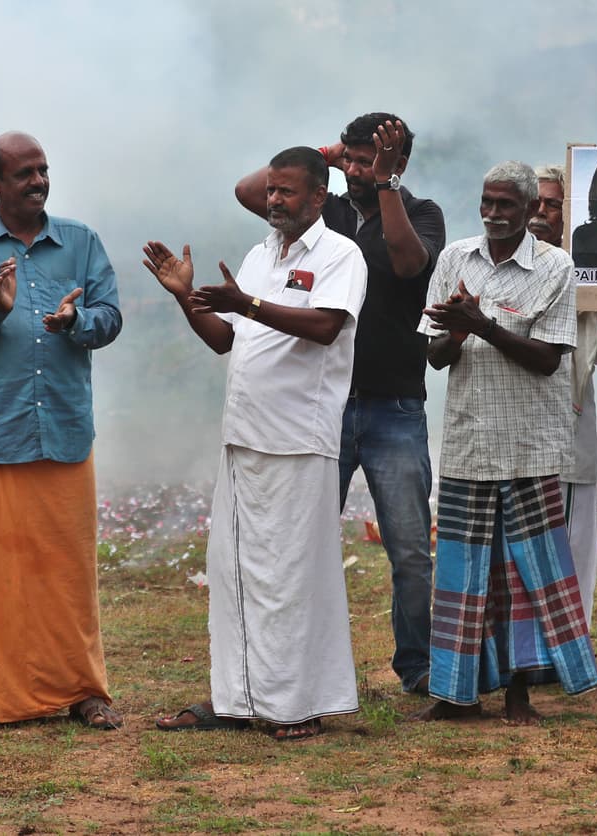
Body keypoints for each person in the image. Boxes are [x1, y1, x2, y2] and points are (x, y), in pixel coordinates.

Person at [149, 146, 367, 740]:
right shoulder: (258, 254)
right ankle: (236, 698)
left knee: (292, 578)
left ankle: (297, 705)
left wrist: (245, 302)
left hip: (299, 438)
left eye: (286, 191)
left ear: (318, 196)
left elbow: (326, 327)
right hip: (244, 434)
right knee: (235, 573)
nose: (273, 200)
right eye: (270, 190)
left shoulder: (340, 254)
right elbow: (225, 338)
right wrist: (183, 295)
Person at [234, 113, 445, 695]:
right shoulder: (326, 211)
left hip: (394, 404)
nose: (354, 170)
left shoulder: (422, 213)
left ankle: (417, 666)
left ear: (399, 164)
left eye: (366, 160)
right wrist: (322, 154)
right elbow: (250, 192)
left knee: (408, 547)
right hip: (322, 403)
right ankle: (297, 661)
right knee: (302, 537)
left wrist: (386, 182)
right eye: (349, 159)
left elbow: (407, 262)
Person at [0, 131, 124, 733]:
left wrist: (75, 320)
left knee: (70, 572)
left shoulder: (82, 242)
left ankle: (84, 691)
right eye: (24, 174)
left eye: (43, 170)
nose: (38, 182)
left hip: (65, 426)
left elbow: (110, 318)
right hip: (0, 431)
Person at [415, 161, 597, 725]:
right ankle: (455, 695)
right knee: (462, 572)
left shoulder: (555, 266)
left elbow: (548, 361)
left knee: (524, 575)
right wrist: (458, 332)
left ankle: (520, 694)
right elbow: (435, 356)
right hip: (469, 440)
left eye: (506, 205)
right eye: (487, 202)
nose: (493, 214)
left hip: (529, 443)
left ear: (531, 209)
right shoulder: (454, 258)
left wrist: (483, 325)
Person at [533, 164, 597, 628]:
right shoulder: (497, 260)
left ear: (568, 213)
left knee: (570, 537)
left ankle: (569, 643)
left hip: (567, 412)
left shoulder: (589, 268)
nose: (541, 212)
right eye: (535, 202)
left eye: (553, 204)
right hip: (511, 421)